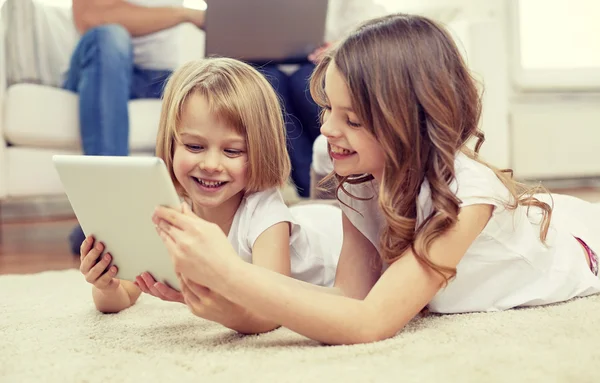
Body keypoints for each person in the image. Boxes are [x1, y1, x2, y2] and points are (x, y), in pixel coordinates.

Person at [153, 14, 600, 345]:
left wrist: (232, 275)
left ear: (408, 122)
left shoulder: (468, 199)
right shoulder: (349, 167)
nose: (326, 129)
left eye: (352, 119)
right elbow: (350, 296)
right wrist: (231, 300)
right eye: (328, 108)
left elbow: (370, 322)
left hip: (575, 251)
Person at [78, 58, 342, 334]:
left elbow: (272, 314)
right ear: (171, 143)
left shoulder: (266, 214)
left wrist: (223, 314)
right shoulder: (169, 210)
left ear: (261, 152)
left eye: (232, 151)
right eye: (194, 146)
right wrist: (105, 284)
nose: (211, 165)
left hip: (334, 238)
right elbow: (125, 293)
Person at [66, 0, 205, 255]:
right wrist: (184, 13)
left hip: (158, 75)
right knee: (110, 37)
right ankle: (104, 215)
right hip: (99, 66)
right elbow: (90, 17)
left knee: (204, 79)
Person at [258, 0, 388, 198]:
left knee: (303, 83)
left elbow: (382, 27)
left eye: (352, 121)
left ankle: (324, 181)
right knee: (269, 84)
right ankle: (308, 187)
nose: (325, 128)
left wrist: (344, 45)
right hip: (269, 63)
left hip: (319, 63)